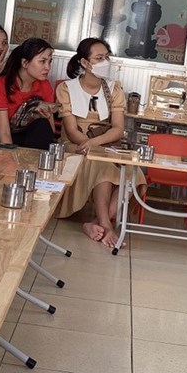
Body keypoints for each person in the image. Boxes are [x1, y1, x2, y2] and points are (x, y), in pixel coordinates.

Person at [55, 38, 142, 247]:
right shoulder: (66, 88)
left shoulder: (114, 88)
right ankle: (106, 224)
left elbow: (118, 128)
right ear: (85, 63)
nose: (105, 62)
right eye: (99, 58)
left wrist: (96, 143)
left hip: (103, 143)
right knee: (103, 166)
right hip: (76, 145)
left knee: (134, 173)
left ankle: (94, 223)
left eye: (107, 57)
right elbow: (71, 131)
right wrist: (89, 145)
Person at [0, 37, 56, 150]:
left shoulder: (44, 85)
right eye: (42, 61)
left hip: (26, 135)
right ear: (25, 63)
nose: (47, 67)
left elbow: (50, 130)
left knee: (42, 125)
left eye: (49, 61)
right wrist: (10, 158)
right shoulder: (0, 84)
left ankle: (39, 161)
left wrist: (46, 115)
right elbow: (4, 132)